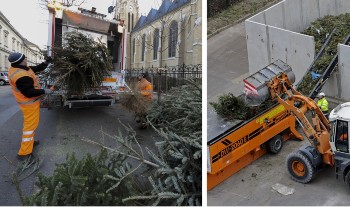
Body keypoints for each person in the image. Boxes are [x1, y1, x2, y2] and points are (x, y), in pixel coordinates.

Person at [7, 52, 53, 160]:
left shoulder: (20, 68)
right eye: (25, 58)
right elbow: (29, 93)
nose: (26, 59)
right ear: (21, 61)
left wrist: (46, 62)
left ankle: (30, 142)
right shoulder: (21, 76)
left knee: (31, 125)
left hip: (30, 103)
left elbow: (36, 69)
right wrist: (45, 91)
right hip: (29, 104)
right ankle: (24, 153)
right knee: (30, 127)